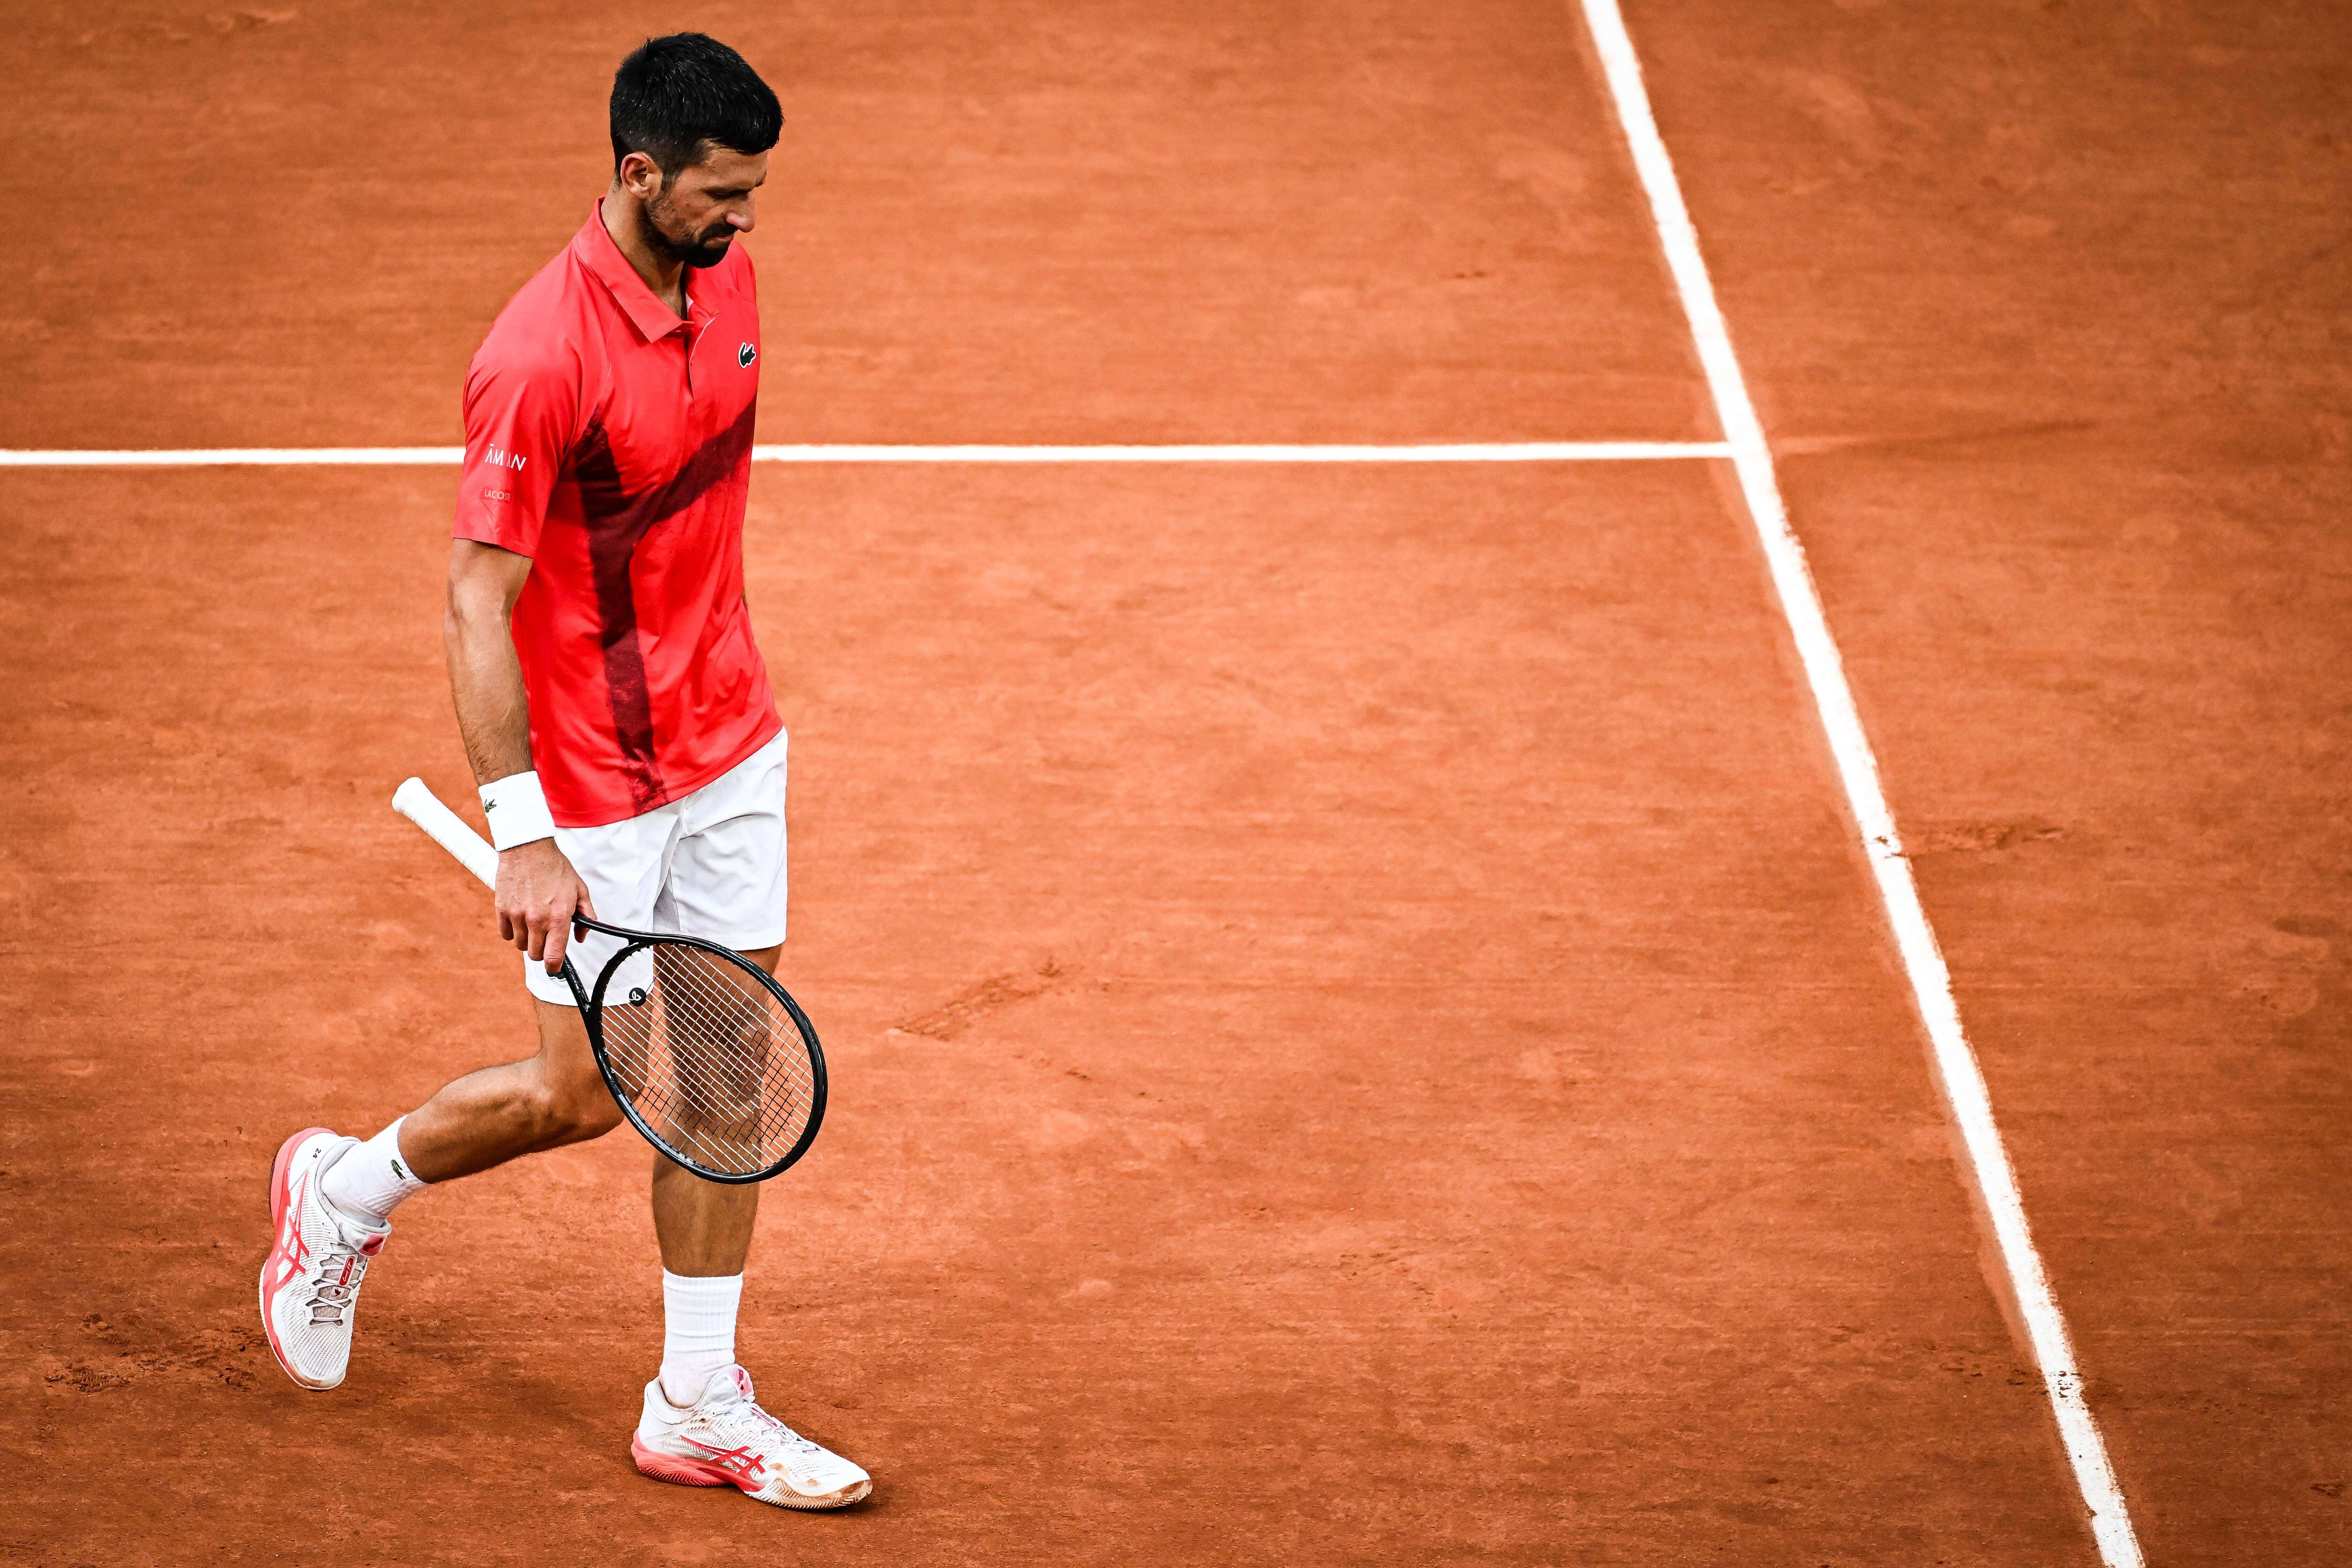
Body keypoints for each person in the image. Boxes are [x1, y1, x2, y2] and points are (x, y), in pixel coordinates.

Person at [256, 33, 871, 1511]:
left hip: (732, 738)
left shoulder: (719, 273)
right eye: (721, 195)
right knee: (583, 1098)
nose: (744, 225)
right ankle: (339, 1194)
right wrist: (522, 829)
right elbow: (478, 596)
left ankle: (696, 1403)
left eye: (757, 196)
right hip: (594, 782)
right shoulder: (536, 355)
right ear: (636, 171)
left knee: (726, 1072)